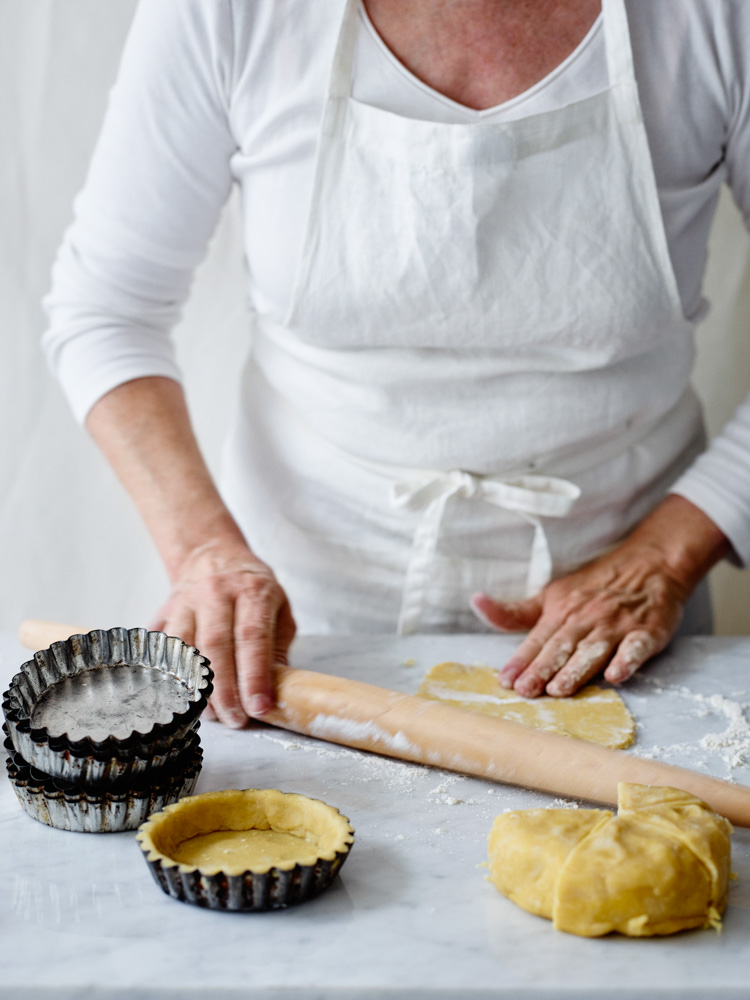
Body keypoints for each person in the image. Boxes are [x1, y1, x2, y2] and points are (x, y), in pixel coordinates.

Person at [43, 0, 749, 728]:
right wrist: (204, 553)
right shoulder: (230, 12)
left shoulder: (717, 17)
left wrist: (663, 559)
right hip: (300, 630)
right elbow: (107, 312)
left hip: (620, 623)